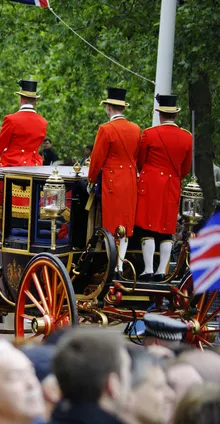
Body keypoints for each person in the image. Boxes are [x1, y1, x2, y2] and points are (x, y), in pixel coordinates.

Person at [135, 94, 193, 282]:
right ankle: (162, 270)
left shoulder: (150, 134)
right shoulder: (187, 137)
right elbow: (185, 169)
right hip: (172, 184)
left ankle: (148, 269)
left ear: (160, 114)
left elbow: (141, 161)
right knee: (167, 228)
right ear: (175, 115)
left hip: (151, 183)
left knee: (148, 227)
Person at [87, 87, 140, 277]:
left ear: (109, 107)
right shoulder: (136, 129)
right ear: (123, 108)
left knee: (111, 223)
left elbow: (97, 159)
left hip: (112, 181)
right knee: (125, 224)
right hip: (130, 181)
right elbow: (136, 158)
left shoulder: (106, 129)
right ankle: (119, 264)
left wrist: (91, 179)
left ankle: (112, 266)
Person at [0, 79, 48, 167]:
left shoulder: (11, 119)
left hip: (13, 164)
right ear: (35, 101)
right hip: (35, 165)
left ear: (21, 99)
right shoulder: (43, 122)